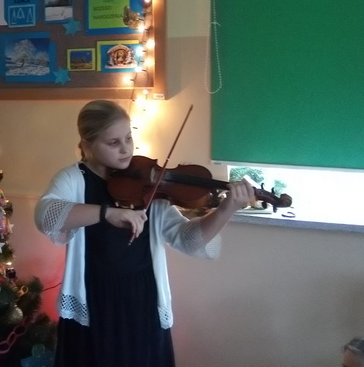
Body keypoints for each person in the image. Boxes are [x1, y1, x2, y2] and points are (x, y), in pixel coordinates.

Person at [34, 100, 254, 367]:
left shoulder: (147, 182)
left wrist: (226, 210)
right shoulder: (73, 179)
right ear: (87, 144)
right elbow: (45, 215)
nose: (126, 148)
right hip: (94, 299)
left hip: (143, 297)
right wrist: (107, 213)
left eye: (128, 138)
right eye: (113, 142)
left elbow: (188, 240)